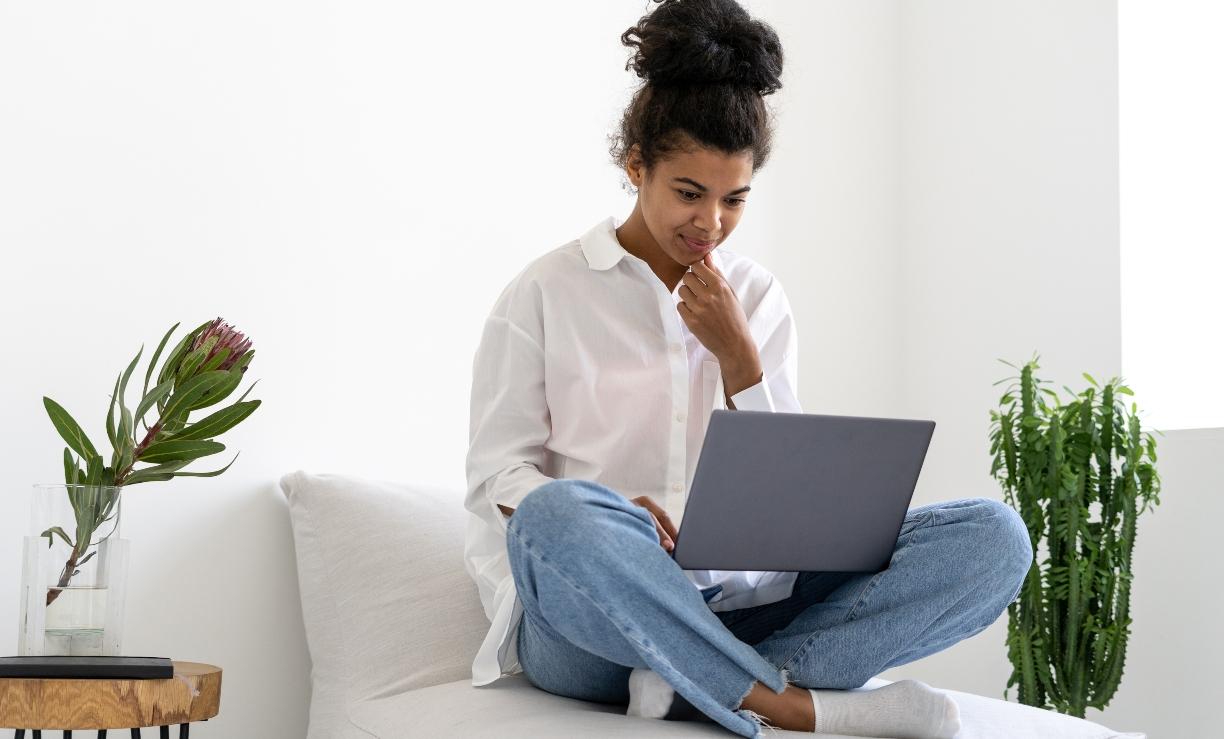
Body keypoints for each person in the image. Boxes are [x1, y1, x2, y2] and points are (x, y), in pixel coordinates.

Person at [462, 1, 1034, 736]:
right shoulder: (545, 291)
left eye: (734, 200)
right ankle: (783, 704)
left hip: (751, 610)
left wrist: (740, 360)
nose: (711, 224)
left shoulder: (757, 295)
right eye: (689, 194)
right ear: (635, 165)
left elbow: (791, 509)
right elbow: (497, 476)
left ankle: (701, 675)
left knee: (994, 536)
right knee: (556, 514)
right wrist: (611, 518)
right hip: (593, 631)